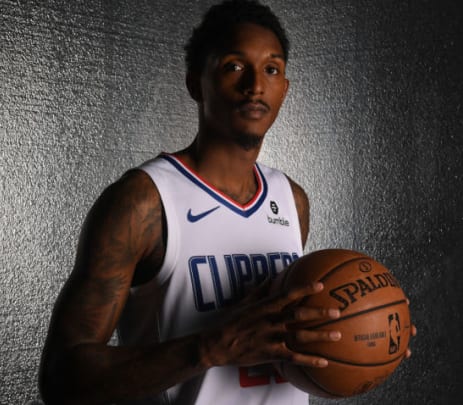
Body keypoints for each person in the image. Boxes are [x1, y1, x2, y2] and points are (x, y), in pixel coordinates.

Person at [39, 1, 412, 404]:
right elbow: (61, 380)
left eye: (272, 69)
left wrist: (370, 335)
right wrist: (209, 348)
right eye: (234, 66)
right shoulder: (143, 202)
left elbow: (293, 344)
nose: (255, 85)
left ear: (285, 88)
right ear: (195, 83)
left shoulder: (291, 200)